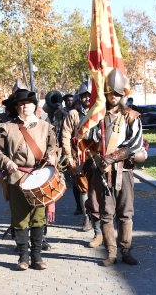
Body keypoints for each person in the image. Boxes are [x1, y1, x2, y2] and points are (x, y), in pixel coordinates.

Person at [83, 68, 144, 266]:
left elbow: (135, 144)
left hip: (124, 170)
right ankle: (111, 253)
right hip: (104, 172)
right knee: (107, 214)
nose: (114, 97)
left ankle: (126, 250)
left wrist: (112, 157)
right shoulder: (97, 118)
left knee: (126, 213)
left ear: (123, 94)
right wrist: (95, 146)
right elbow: (87, 139)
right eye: (111, 93)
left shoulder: (131, 117)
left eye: (118, 94)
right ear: (106, 94)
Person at [0, 89, 57, 271]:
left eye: (28, 103)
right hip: (16, 177)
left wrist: (52, 157)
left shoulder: (46, 127)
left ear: (34, 106)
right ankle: (23, 257)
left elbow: (53, 148)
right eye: (21, 103)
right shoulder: (6, 127)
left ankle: (37, 257)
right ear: (17, 107)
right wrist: (7, 162)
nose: (25, 106)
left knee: (38, 218)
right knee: (20, 219)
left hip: (40, 177)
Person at [62, 81, 96, 235]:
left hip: (97, 156)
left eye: (89, 95)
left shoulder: (99, 112)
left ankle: (102, 217)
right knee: (84, 189)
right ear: (80, 97)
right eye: (84, 95)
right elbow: (65, 135)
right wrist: (68, 155)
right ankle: (87, 217)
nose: (87, 98)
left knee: (99, 188)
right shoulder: (73, 114)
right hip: (80, 156)